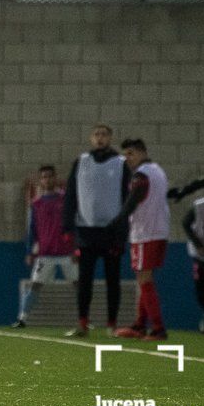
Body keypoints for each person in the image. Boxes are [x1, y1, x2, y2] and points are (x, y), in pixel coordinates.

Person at [62, 124, 130, 337]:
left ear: (110, 137)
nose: (100, 138)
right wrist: (67, 226)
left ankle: (112, 324)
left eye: (104, 134)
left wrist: (122, 233)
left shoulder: (121, 164)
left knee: (113, 281)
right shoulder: (81, 162)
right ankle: (83, 323)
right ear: (91, 138)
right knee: (84, 282)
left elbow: (128, 200)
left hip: (111, 232)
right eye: (97, 134)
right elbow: (70, 195)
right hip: (86, 231)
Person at [109, 139, 170, 341]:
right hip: (158, 230)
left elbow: (132, 201)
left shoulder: (141, 175)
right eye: (126, 155)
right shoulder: (157, 170)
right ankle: (140, 325)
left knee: (144, 279)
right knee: (144, 278)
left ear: (143, 152)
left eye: (131, 153)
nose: (128, 158)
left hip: (146, 232)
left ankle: (158, 328)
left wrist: (116, 221)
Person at [12, 165, 77, 328]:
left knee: (79, 285)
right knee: (35, 285)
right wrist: (29, 252)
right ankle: (22, 319)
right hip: (45, 254)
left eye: (50, 176)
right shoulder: (37, 204)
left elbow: (75, 225)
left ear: (55, 178)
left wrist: (77, 249)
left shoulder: (65, 199)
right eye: (44, 177)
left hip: (66, 252)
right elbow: (32, 230)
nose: (47, 180)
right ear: (40, 181)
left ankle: (84, 319)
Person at [182, 195, 204, 333]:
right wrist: (198, 244)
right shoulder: (200, 205)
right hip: (201, 255)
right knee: (201, 290)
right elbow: (185, 222)